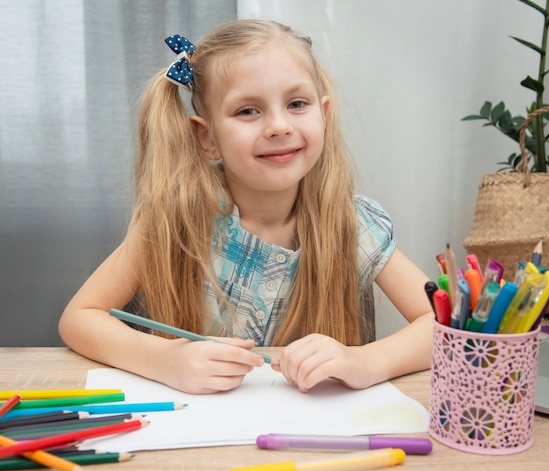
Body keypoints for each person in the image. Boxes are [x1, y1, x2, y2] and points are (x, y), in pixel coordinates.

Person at [59, 19, 434, 395]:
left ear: (324, 113)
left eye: (297, 104)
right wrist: (164, 360)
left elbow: (444, 323)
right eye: (248, 111)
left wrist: (365, 361)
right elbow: (79, 318)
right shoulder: (176, 221)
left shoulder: (353, 223)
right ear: (207, 137)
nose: (278, 125)